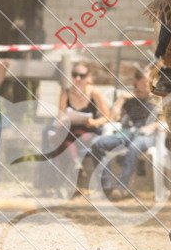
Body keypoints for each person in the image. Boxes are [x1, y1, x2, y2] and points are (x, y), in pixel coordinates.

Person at [39, 61, 112, 197]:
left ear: (88, 76)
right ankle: (75, 163)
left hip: (87, 131)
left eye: (82, 75)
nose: (78, 78)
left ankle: (63, 182)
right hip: (69, 130)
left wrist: (93, 122)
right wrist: (64, 119)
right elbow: (60, 117)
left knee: (62, 140)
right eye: (74, 75)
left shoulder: (95, 93)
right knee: (65, 136)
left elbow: (107, 117)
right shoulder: (65, 93)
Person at [87, 68, 160, 199]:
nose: (148, 86)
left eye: (151, 82)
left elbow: (167, 121)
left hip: (148, 134)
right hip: (128, 132)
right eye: (144, 83)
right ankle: (107, 187)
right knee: (97, 143)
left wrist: (153, 126)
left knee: (134, 146)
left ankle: (120, 188)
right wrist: (121, 99)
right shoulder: (130, 98)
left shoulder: (157, 98)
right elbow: (112, 119)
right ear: (136, 82)